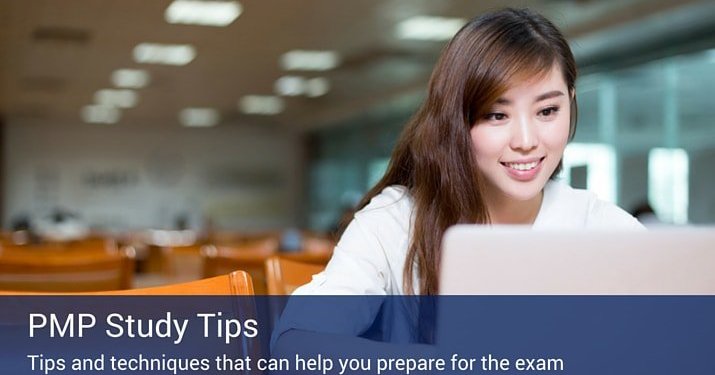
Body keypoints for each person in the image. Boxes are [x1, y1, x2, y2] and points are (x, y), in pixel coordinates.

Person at [272, 8, 644, 355]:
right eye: (497, 115)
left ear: (571, 102)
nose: (527, 140)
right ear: (456, 121)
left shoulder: (601, 228)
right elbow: (296, 343)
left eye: (548, 111)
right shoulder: (396, 221)